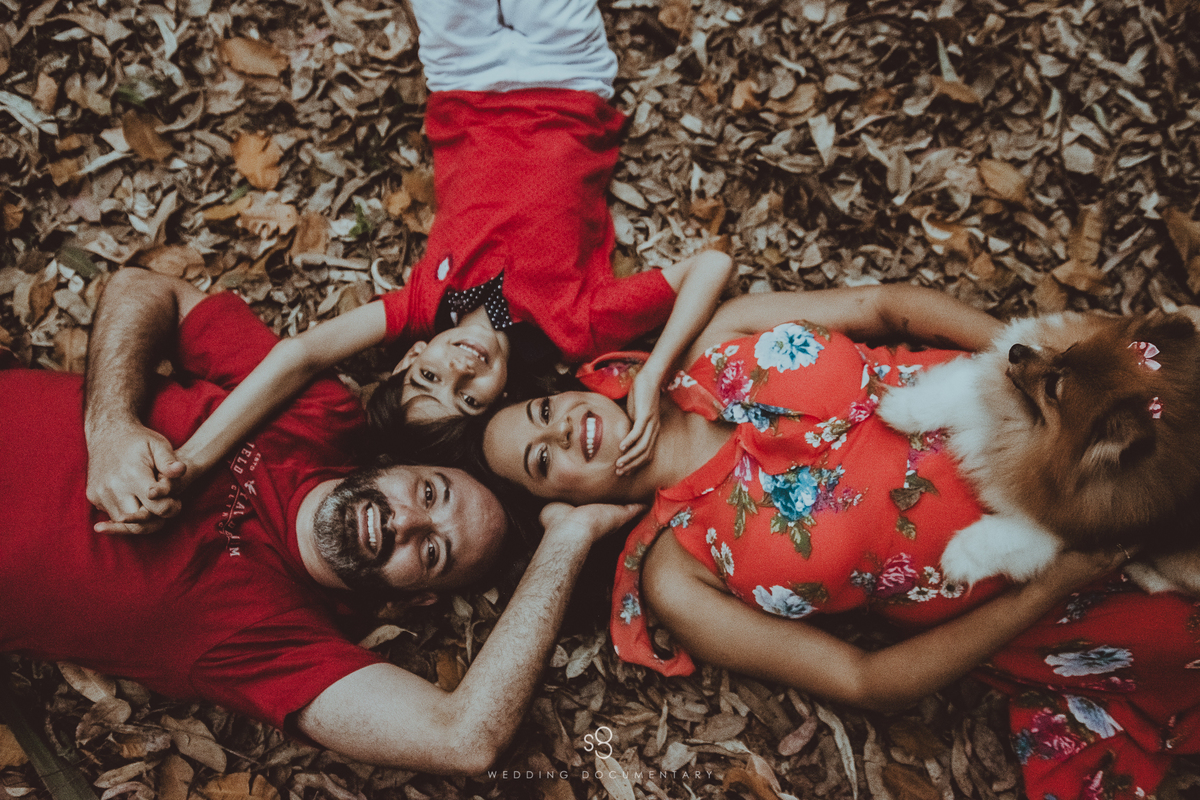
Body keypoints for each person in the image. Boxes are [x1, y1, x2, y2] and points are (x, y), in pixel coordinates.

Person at [479, 285, 1200, 800]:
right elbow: (866, 683)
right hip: (1051, 590)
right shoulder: (679, 574)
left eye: (541, 410)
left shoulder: (722, 334)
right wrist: (1052, 583)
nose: (559, 430)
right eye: (543, 463)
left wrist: (1041, 373)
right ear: (566, 510)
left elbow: (888, 306)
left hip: (1087, 431)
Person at [86, 0, 733, 537]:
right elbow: (711, 265)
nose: (458, 367)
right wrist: (650, 375)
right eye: (467, 395)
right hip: (568, 76)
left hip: (463, 76)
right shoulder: (573, 325)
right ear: (500, 400)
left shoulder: (426, 303)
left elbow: (301, 356)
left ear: (409, 354)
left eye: (428, 374)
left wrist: (196, 463)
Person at [1, 266, 642, 774]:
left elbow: (464, 741)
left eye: (432, 553)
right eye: (426, 492)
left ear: (413, 598)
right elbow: (144, 290)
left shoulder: (275, 639)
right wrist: (110, 423)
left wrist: (569, 536)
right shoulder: (316, 414)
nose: (405, 523)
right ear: (397, 464)